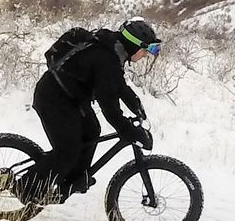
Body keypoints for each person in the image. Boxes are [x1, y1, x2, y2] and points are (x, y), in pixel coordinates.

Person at [15, 18, 161, 205]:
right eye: (146, 50)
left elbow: (118, 84)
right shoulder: (106, 59)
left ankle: (71, 179)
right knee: (68, 151)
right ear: (134, 45)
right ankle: (24, 187)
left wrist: (136, 105)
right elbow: (109, 107)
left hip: (71, 98)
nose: (146, 55)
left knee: (92, 130)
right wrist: (130, 131)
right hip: (53, 99)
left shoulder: (114, 50)